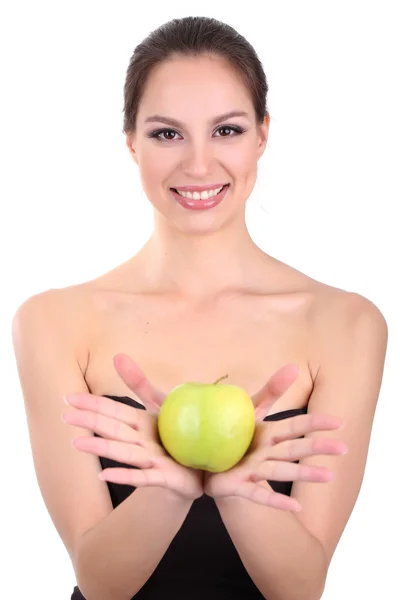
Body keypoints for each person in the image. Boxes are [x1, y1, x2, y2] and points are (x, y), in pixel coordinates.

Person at [11, 15, 388, 600]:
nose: (197, 165)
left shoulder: (345, 323)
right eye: (167, 134)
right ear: (131, 142)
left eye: (227, 131)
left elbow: (301, 586)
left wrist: (234, 490)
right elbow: (102, 581)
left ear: (263, 135)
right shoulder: (56, 322)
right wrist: (174, 486)